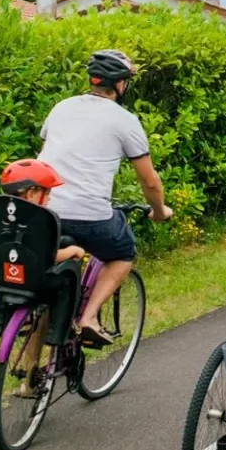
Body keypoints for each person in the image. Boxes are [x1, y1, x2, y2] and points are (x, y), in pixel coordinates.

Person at [36, 49, 173, 347]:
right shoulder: (125, 120)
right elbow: (149, 181)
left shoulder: (62, 107)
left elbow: (48, 154)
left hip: (44, 211)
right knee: (123, 251)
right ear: (121, 85)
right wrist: (160, 210)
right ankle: (88, 317)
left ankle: (28, 374)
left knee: (48, 284)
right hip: (89, 216)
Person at [0, 158, 88, 394]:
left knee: (39, 306)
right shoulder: (39, 219)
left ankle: (28, 377)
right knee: (68, 271)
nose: (48, 199)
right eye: (46, 193)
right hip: (40, 280)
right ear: (32, 192)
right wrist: (72, 252)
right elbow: (48, 256)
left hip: (9, 279)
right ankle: (64, 329)